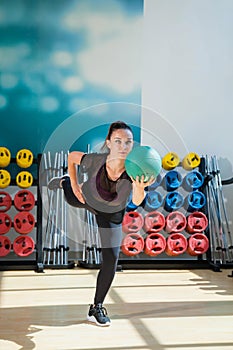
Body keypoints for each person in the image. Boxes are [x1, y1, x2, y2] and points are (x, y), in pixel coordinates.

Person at [48, 121, 155, 326]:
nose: (123, 146)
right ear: (109, 143)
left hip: (111, 215)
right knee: (70, 197)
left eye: (128, 142)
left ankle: (96, 307)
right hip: (87, 198)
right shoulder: (96, 160)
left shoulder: (134, 169)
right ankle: (63, 182)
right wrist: (73, 184)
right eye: (118, 141)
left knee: (111, 258)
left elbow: (138, 201)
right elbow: (72, 157)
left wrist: (140, 186)